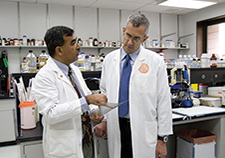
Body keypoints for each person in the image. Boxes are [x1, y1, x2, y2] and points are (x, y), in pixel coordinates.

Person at [94, 13, 173, 158]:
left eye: (136, 38)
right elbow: (104, 93)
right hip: (116, 126)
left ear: (145, 38)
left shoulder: (155, 61)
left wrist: (162, 139)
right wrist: (105, 120)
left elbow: (163, 100)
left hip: (143, 129)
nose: (130, 42)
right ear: (124, 30)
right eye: (127, 35)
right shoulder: (109, 60)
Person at [32, 26, 107, 158]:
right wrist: (87, 101)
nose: (78, 46)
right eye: (73, 43)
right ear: (59, 50)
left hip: (86, 139)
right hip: (65, 147)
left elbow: (86, 95)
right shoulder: (44, 76)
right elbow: (51, 114)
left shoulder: (74, 70)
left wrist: (94, 110)